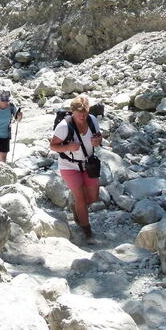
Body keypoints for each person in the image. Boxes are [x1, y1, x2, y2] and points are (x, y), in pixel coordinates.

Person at [49, 94, 102, 239]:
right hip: (69, 166)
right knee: (80, 198)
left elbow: (98, 135)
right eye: (79, 114)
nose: (83, 116)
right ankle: (87, 231)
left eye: (85, 113)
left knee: (93, 197)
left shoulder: (92, 120)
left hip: (88, 164)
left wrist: (97, 140)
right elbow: (53, 146)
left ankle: (76, 208)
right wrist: (68, 147)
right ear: (73, 111)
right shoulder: (64, 126)